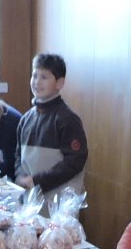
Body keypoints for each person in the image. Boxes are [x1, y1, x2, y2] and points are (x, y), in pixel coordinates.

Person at [15, 52, 87, 195]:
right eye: (34, 75)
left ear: (60, 83)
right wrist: (21, 176)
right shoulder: (25, 119)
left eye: (44, 77)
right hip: (31, 199)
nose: (37, 82)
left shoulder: (67, 119)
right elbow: (18, 155)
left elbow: (75, 162)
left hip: (59, 201)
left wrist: (38, 181)